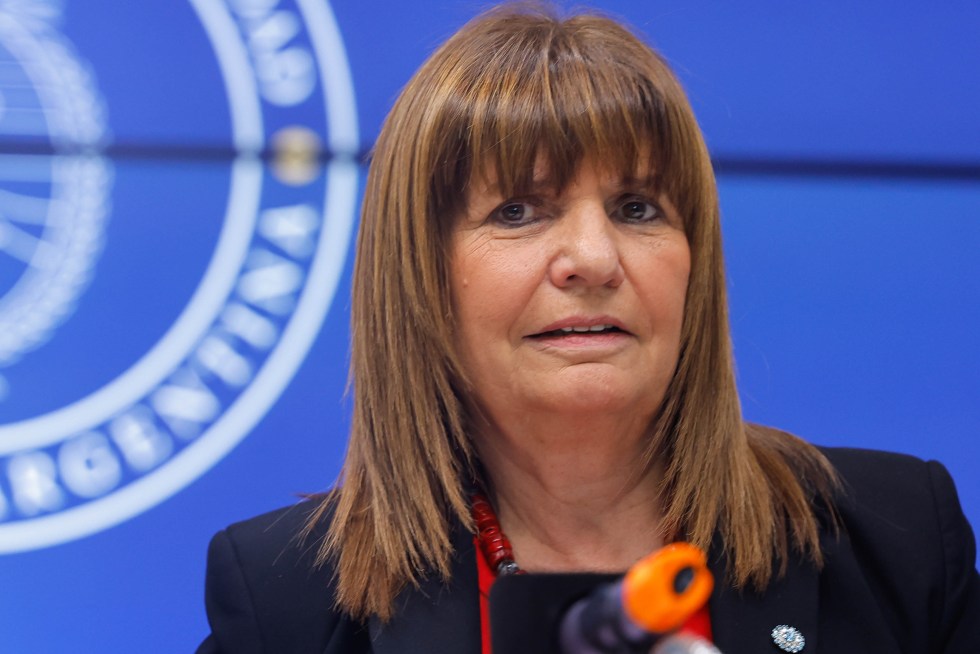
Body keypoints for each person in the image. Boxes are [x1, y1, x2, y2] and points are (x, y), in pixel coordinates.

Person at [196, 3, 980, 653]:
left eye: (638, 209)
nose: (593, 259)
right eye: (518, 211)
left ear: (693, 264)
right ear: (422, 278)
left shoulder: (899, 540)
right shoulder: (288, 604)